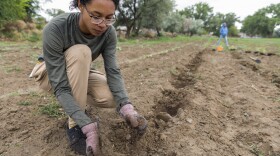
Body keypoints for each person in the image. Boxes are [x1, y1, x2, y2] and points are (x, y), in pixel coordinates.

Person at [29, 0, 147, 155]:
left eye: (109, 18)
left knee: (113, 98)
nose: (102, 24)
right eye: (96, 16)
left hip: (80, 73)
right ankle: (74, 126)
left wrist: (127, 108)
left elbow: (113, 71)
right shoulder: (56, 28)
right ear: (80, 5)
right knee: (81, 52)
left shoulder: (108, 33)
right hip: (49, 75)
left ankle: (76, 106)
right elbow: (62, 86)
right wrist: (86, 126)